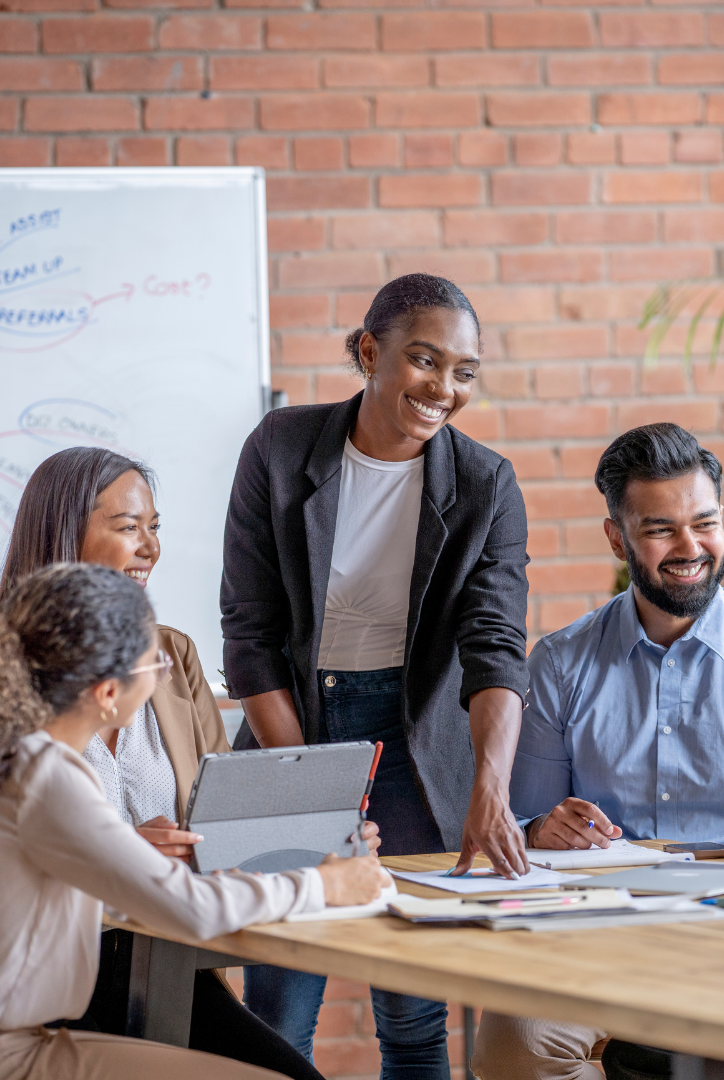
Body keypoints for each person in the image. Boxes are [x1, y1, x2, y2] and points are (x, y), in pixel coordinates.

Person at [0, 562, 389, 1080]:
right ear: (108, 693)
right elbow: (191, 911)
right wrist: (324, 883)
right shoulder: (44, 773)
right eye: (153, 661)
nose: (166, 671)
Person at [471, 423, 724, 1080]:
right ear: (616, 539)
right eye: (661, 531)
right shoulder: (561, 665)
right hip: (597, 937)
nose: (690, 548)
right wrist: (543, 828)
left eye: (704, 524)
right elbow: (524, 831)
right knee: (516, 1040)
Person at [221, 273, 531, 1077]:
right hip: (289, 723)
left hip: (416, 737)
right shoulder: (282, 449)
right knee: (280, 1006)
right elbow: (249, 633)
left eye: (464, 372)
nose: (443, 389)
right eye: (424, 361)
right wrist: (307, 781)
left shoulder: (486, 484)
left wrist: (488, 788)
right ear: (369, 351)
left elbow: (495, 644)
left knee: (412, 1013)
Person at [0, 448, 320, 1080]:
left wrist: (312, 839)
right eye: (128, 528)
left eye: (155, 528)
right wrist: (123, 849)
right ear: (66, 536)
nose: (150, 547)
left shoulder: (169, 652)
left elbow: (225, 814)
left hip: (164, 962)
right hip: (60, 984)